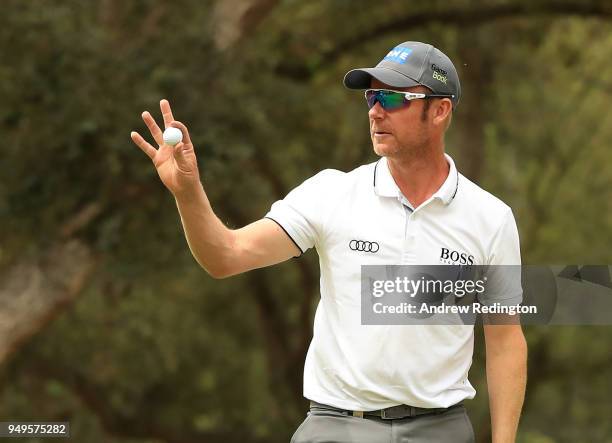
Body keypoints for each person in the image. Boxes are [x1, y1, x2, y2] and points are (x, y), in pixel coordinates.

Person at [130, 41, 527, 443]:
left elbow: (505, 338)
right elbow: (225, 257)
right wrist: (188, 192)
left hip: (440, 429)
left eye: (391, 97)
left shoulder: (490, 218)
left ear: (440, 110)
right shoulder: (331, 194)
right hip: (336, 426)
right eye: (372, 96)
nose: (375, 110)